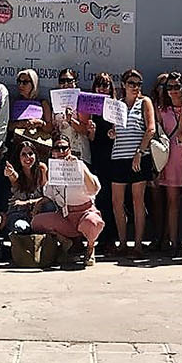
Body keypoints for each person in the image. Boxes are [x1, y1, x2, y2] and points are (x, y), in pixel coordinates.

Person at [33, 135, 106, 266]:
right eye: (57, 148)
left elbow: (94, 189)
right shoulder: (54, 171)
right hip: (66, 215)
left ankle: (90, 247)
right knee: (36, 223)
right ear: (52, 152)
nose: (61, 152)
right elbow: (48, 194)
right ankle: (67, 241)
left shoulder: (80, 166)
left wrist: (80, 167)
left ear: (70, 149)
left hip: (85, 213)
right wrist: (38, 203)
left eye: (64, 148)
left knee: (93, 223)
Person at [109, 68, 157, 258]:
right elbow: (114, 131)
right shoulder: (117, 105)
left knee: (138, 201)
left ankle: (138, 244)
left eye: (138, 84)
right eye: (131, 84)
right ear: (123, 85)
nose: (135, 87)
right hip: (118, 157)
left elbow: (151, 129)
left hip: (138, 158)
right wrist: (111, 133)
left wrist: (140, 152)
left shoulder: (145, 102)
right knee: (117, 202)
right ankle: (122, 243)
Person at [150, 71, 182, 254]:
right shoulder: (161, 110)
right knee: (172, 202)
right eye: (169, 87)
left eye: (176, 87)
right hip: (170, 158)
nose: (173, 90)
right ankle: (172, 242)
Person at [81, 72, 118, 252]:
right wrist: (92, 132)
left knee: (113, 198)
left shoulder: (115, 107)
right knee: (99, 197)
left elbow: (122, 130)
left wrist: (114, 133)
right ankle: (100, 238)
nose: (102, 89)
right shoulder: (91, 106)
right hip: (97, 155)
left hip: (114, 156)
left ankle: (112, 237)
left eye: (106, 85)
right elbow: (91, 138)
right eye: (99, 85)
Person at [3, 140, 50, 235]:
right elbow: (14, 177)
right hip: (19, 213)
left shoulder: (41, 169)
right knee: (22, 227)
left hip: (39, 211)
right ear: (19, 158)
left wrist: (32, 203)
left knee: (50, 207)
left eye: (30, 154)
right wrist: (10, 173)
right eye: (23, 154)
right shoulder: (16, 171)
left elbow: (48, 196)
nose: (28, 157)